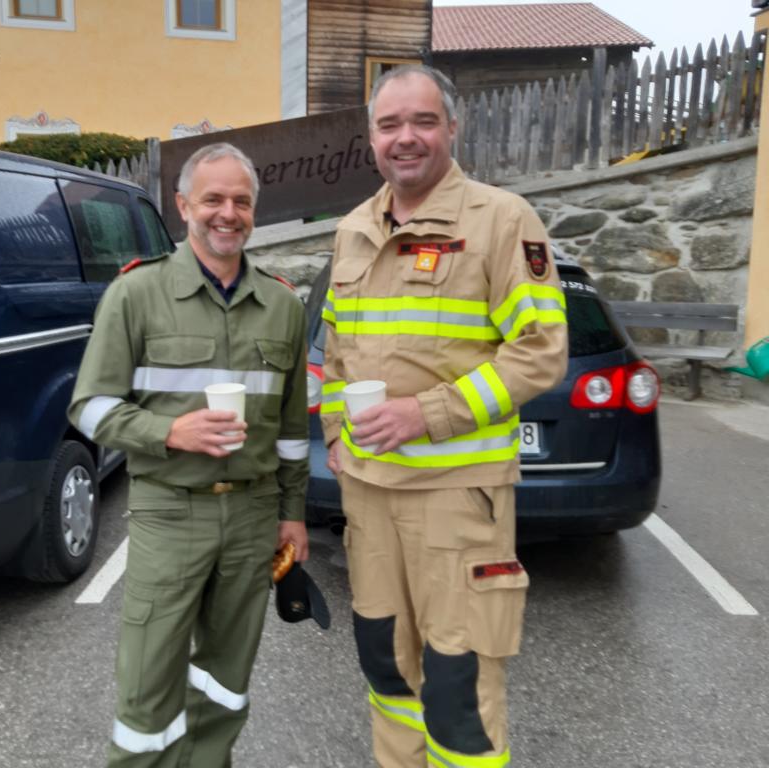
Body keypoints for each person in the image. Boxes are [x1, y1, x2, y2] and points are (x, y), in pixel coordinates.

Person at [320, 65, 569, 768]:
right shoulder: (353, 230)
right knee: (386, 665)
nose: (406, 138)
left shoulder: (502, 219)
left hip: (457, 497)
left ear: (452, 128)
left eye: (422, 121)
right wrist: (338, 435)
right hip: (368, 495)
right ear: (371, 137)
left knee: (458, 683)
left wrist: (425, 414)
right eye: (389, 124)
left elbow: (540, 352)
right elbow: (337, 351)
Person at [68, 142, 310, 768]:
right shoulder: (136, 295)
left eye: (241, 201)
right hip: (169, 513)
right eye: (213, 199)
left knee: (226, 683)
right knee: (148, 686)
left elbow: (289, 431)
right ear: (183, 207)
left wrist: (293, 514)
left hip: (255, 517)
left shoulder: (282, 305)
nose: (227, 213)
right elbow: (89, 408)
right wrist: (169, 433)